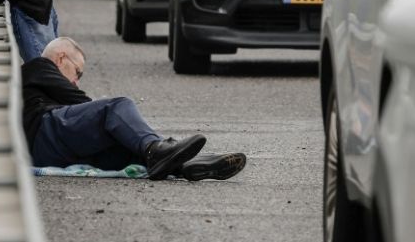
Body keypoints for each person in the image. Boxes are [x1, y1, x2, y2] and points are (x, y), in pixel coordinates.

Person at [22, 37, 247, 181]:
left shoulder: (41, 77)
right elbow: (82, 103)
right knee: (116, 107)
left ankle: (183, 165)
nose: (76, 80)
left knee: (127, 149)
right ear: (61, 58)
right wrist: (107, 115)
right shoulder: (39, 66)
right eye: (77, 72)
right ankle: (156, 148)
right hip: (45, 131)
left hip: (50, 150)